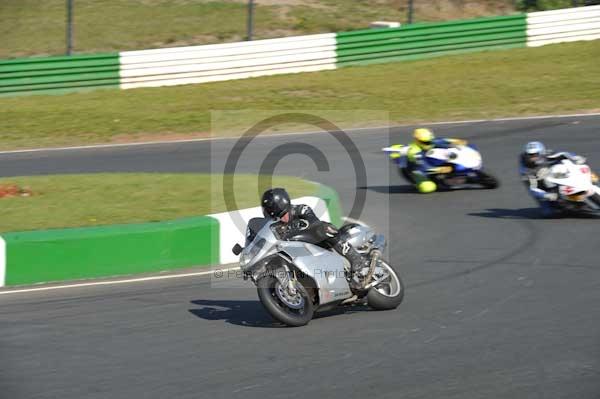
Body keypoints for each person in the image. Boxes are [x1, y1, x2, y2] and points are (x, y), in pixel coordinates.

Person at [261, 188, 369, 287]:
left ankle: (356, 258)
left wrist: (295, 226)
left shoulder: (301, 209)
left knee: (324, 228)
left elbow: (313, 221)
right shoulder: (274, 225)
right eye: (278, 217)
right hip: (299, 254)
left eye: (282, 215)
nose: (281, 219)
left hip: (316, 242)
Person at [519, 141, 598, 216]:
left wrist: (575, 157)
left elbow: (564, 154)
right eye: (530, 155)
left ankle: (592, 181)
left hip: (556, 174)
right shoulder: (526, 170)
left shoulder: (547, 153)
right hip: (542, 186)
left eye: (535, 154)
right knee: (549, 213)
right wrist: (546, 195)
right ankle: (574, 208)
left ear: (541, 152)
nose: (533, 157)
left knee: (582, 167)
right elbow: (533, 188)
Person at [405, 128, 468, 193]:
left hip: (429, 161)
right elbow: (423, 167)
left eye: (430, 141)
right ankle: (417, 183)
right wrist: (440, 169)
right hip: (417, 170)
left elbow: (442, 140)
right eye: (425, 142)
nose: (429, 143)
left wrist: (456, 141)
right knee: (428, 188)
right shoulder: (414, 152)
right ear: (417, 140)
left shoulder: (430, 141)